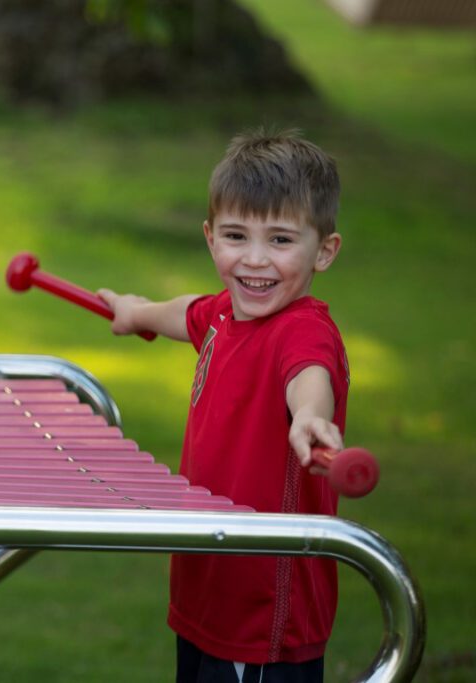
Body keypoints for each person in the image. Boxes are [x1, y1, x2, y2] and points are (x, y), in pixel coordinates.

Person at [97, 129, 348, 683]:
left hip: (262, 615)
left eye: (281, 241)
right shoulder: (222, 317)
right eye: (237, 236)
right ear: (211, 239)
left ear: (323, 251)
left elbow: (311, 375)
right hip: (206, 588)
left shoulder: (302, 331)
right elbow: (186, 312)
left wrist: (310, 416)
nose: (254, 260)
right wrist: (136, 312)